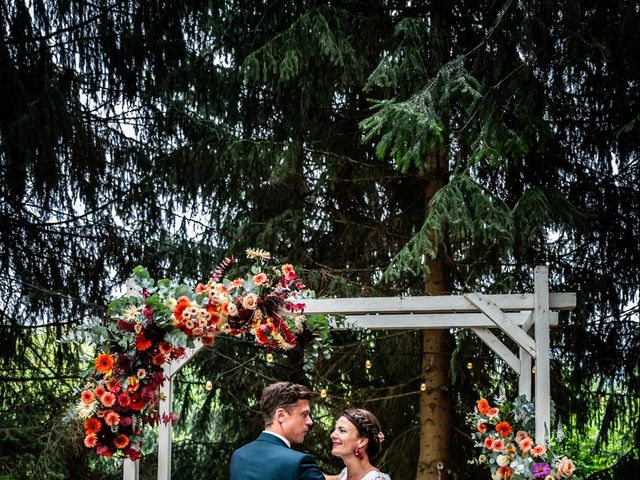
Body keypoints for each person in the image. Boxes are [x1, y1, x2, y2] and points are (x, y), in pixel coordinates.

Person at [229, 381, 326, 480]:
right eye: (304, 414)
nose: (310, 421)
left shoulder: (239, 456)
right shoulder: (299, 463)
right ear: (281, 415)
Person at [327, 408, 391, 480]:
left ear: (362, 441)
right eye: (335, 429)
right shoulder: (344, 475)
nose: (332, 435)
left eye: (342, 430)